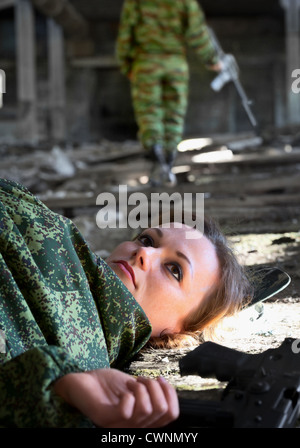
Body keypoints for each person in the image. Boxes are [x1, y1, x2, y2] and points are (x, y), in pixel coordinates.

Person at [0, 178, 250, 427]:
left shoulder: (82, 378)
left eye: (174, 270)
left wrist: (59, 390)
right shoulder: (70, 250)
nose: (144, 253)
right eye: (147, 240)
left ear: (179, 331)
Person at [116, 0, 222, 185]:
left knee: (149, 114)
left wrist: (126, 65)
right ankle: (169, 160)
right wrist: (212, 59)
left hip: (145, 62)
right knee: (174, 116)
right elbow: (197, 33)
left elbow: (125, 33)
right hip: (175, 65)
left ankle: (157, 160)